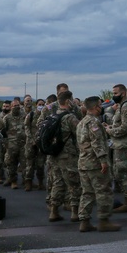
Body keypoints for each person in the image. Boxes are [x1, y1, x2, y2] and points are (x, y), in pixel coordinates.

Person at [76, 96, 121, 233]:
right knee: (103, 191)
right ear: (96, 107)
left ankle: (84, 221)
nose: (101, 107)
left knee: (87, 193)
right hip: (95, 163)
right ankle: (104, 220)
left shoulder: (81, 122)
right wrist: (103, 160)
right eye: (100, 105)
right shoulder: (94, 122)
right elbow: (97, 143)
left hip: (83, 163)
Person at [47, 91, 82, 223]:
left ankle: (54, 211)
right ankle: (75, 212)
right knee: (73, 183)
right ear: (68, 101)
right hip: (68, 155)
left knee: (57, 182)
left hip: (54, 155)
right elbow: (80, 133)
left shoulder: (53, 115)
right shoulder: (70, 117)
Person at [107, 83, 127, 213]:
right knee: (118, 172)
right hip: (118, 144)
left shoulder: (126, 107)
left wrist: (110, 131)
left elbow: (126, 128)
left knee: (123, 173)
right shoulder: (121, 106)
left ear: (123, 93)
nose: (114, 96)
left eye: (115, 93)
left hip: (124, 144)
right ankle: (126, 200)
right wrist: (110, 127)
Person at [2, 98, 26, 189]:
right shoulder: (7, 118)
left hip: (23, 144)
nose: (16, 107)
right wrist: (6, 144)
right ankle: (13, 181)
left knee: (25, 164)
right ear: (11, 107)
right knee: (11, 164)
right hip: (11, 145)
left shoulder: (24, 116)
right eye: (14, 106)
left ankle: (26, 181)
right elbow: (3, 132)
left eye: (18, 105)